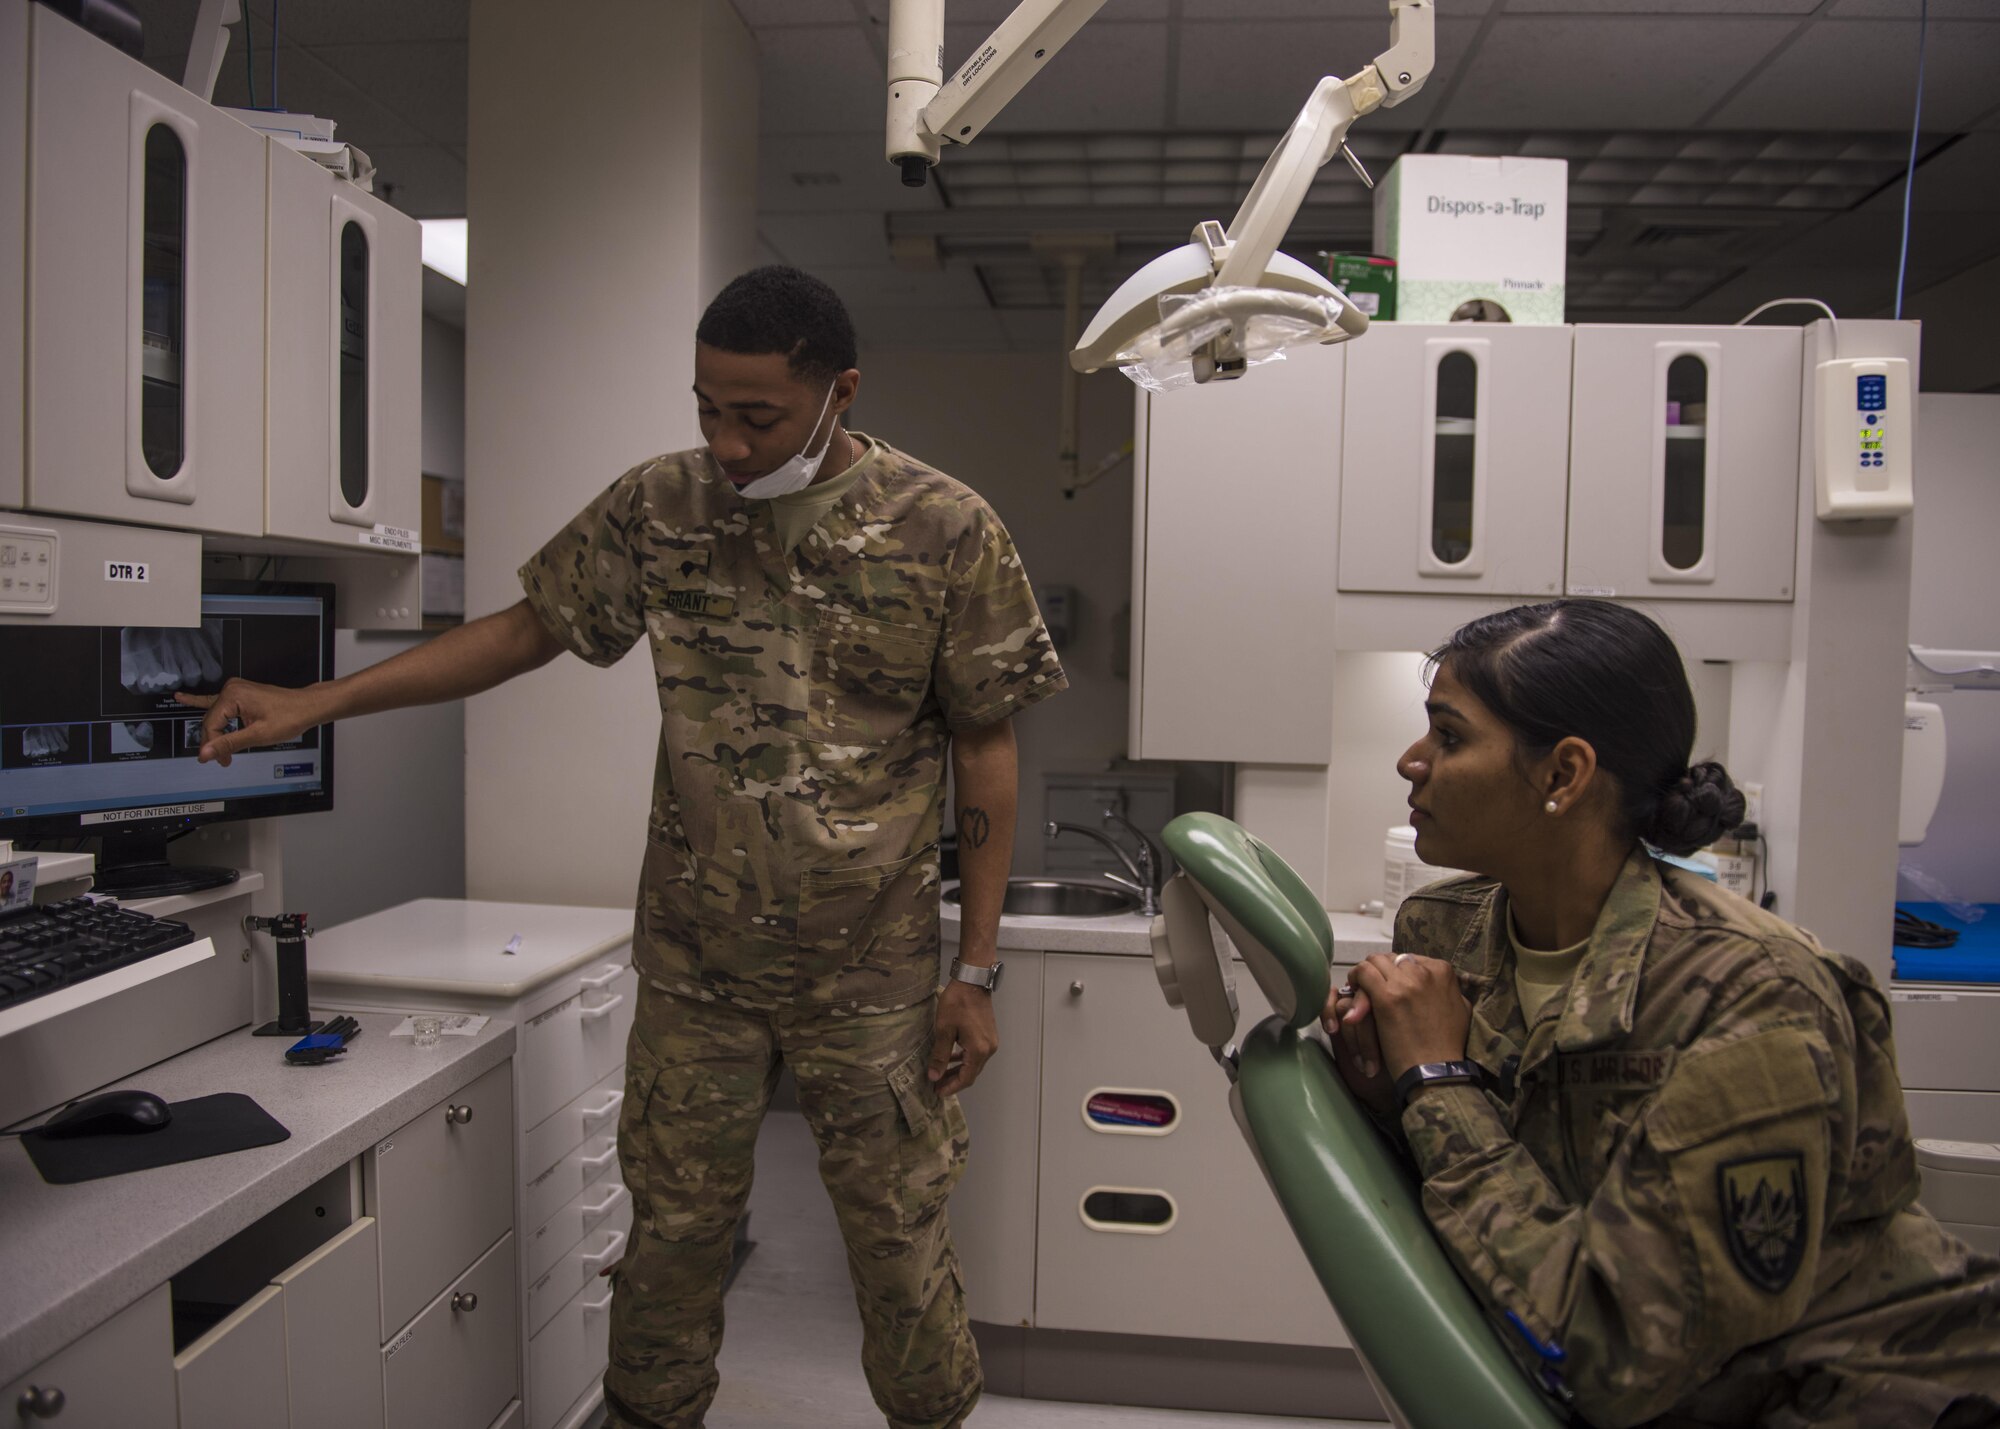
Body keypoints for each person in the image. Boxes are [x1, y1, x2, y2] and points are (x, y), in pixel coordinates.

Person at [181, 266, 1067, 1429]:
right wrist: (314, 703)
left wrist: (975, 971)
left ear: (839, 392)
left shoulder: (944, 527)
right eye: (707, 407)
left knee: (898, 1247)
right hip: (699, 965)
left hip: (871, 975)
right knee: (670, 1243)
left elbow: (986, 748)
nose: (728, 442)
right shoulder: (662, 505)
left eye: (758, 416)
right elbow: (518, 633)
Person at [1322, 600, 2000, 1429]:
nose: (1410, 760)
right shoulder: (1445, 932)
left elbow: (1617, 1354)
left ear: (1563, 775)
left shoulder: (1752, 997)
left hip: (1867, 1399)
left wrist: (1435, 1083)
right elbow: (1509, 1189)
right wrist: (1386, 1096)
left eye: (1450, 737)